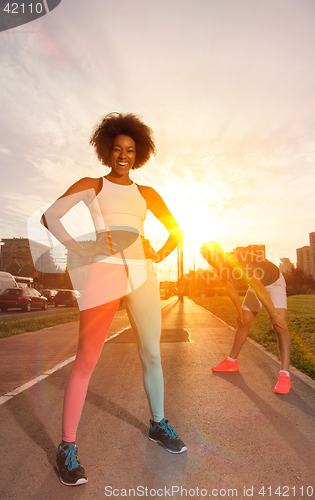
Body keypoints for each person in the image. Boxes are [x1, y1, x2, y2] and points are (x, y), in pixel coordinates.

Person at [41, 113, 186, 487]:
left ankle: (158, 424)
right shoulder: (92, 184)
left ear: (139, 154)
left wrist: (158, 255)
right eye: (118, 149)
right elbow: (50, 215)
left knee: (151, 353)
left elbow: (177, 231)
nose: (124, 155)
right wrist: (80, 246)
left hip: (143, 275)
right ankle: (66, 448)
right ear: (107, 151)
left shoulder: (147, 193)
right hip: (103, 272)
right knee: (87, 358)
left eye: (131, 150)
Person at [200, 241, 292, 395]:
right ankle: (231, 362)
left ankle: (285, 375)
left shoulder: (237, 260)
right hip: (256, 286)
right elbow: (230, 287)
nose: (209, 259)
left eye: (210, 255)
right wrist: (240, 312)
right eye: (205, 257)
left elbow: (260, 288)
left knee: (279, 326)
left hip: (273, 283)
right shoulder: (218, 266)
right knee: (243, 323)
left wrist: (273, 314)